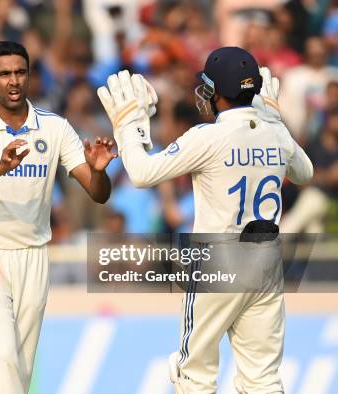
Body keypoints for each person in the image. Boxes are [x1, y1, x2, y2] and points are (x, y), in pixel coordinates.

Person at [96, 47, 313, 393]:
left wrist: (130, 125)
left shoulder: (208, 137)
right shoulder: (276, 133)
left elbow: (140, 173)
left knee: (193, 374)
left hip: (218, 262)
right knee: (263, 378)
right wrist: (274, 118)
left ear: (215, 93)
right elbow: (305, 172)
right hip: (267, 264)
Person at [0, 41, 116, 394]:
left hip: (33, 252)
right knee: (4, 356)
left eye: (20, 72)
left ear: (30, 77)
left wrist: (98, 171)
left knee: (18, 371)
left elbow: (98, 193)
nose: (13, 81)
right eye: (4, 74)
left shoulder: (54, 128)